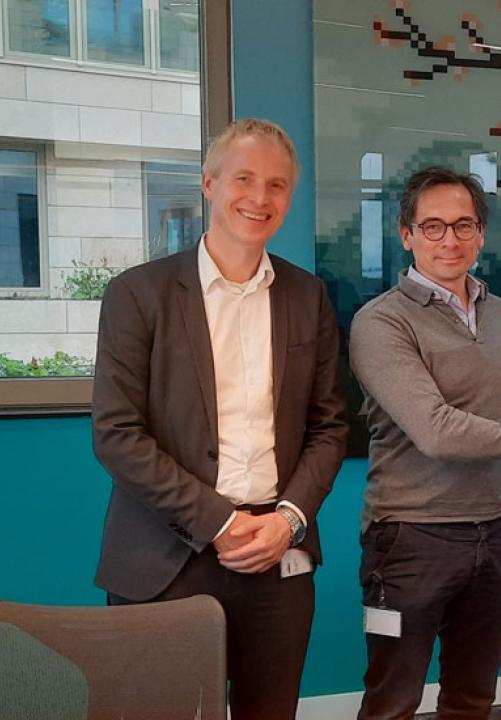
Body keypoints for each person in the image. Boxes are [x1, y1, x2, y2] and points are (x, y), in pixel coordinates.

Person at [92, 118, 348, 719]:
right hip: (165, 559)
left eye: (277, 185)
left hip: (277, 554)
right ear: (209, 184)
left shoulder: (307, 296)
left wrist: (289, 520)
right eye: (244, 179)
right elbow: (116, 434)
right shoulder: (138, 293)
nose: (260, 198)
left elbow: (329, 426)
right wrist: (219, 522)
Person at [349, 166, 501, 720]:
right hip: (411, 538)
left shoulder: (496, 312)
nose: (449, 240)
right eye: (432, 227)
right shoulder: (380, 323)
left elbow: (485, 411)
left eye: (463, 225)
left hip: (497, 529)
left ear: (480, 234)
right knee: (392, 701)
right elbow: (437, 430)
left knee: (473, 697)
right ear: (407, 235)